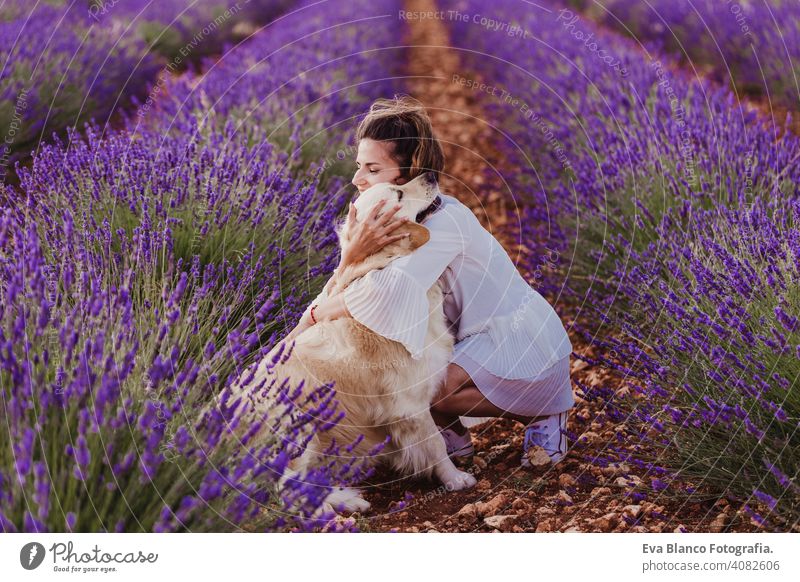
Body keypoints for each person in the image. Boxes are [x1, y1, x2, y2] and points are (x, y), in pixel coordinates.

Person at [286, 95, 574, 468]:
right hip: (471, 345)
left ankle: (544, 412)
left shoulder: (445, 222)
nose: (357, 179)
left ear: (409, 173)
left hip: (524, 343)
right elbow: (348, 284)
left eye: (372, 169)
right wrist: (345, 262)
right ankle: (448, 433)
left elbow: (384, 294)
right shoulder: (391, 215)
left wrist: (315, 314)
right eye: (359, 166)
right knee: (405, 372)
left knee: (421, 386)